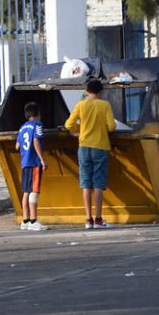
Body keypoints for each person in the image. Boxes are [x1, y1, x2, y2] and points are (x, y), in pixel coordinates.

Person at [65, 79, 117, 229]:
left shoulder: (80, 105)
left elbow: (68, 124)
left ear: (87, 91)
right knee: (98, 184)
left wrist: (80, 129)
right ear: (101, 91)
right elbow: (111, 127)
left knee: (86, 183)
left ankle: (88, 220)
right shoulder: (105, 105)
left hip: (84, 148)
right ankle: (98, 219)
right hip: (100, 147)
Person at [16, 101, 48, 231]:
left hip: (25, 162)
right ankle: (34, 221)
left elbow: (17, 146)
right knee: (34, 191)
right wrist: (42, 159)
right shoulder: (38, 124)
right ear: (38, 113)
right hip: (34, 162)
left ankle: (25, 220)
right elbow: (36, 140)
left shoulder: (22, 127)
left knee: (26, 191)